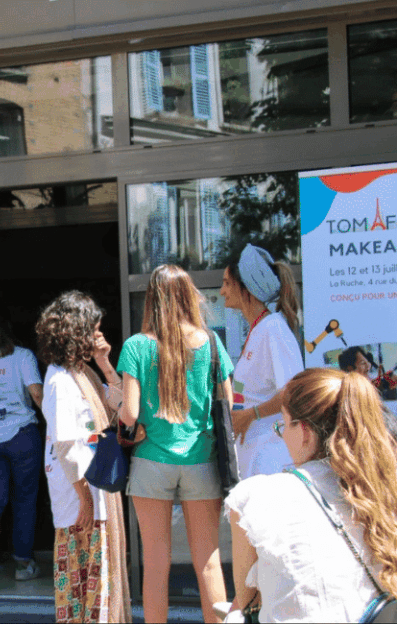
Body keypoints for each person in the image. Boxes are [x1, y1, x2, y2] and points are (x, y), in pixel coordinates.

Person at [226, 367, 397, 621]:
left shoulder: (255, 498)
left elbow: (248, 602)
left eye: (282, 425)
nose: (282, 434)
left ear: (304, 432)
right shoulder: (384, 491)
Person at [118, 265, 232, 624]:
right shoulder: (211, 342)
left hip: (152, 460)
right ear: (188, 296)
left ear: (152, 298)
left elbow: (130, 412)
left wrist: (118, 407)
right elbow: (228, 404)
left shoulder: (137, 346)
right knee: (209, 563)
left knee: (155, 563)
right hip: (201, 459)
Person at [36, 291, 131, 624]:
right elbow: (65, 444)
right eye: (94, 329)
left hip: (93, 487)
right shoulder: (60, 379)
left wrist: (105, 363)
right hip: (80, 494)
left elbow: (121, 408)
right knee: (85, 582)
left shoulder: (82, 373)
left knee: (97, 580)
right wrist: (84, 500)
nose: (98, 335)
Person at [0, 304, 43, 591]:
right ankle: (23, 564)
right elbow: (37, 393)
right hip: (22, 434)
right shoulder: (23, 356)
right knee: (25, 500)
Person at [220, 243, 303, 478]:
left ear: (246, 286)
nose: (222, 291)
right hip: (255, 456)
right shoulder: (259, 330)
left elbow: (293, 392)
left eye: (227, 283)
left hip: (273, 458)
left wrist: (250, 415)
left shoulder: (274, 328)